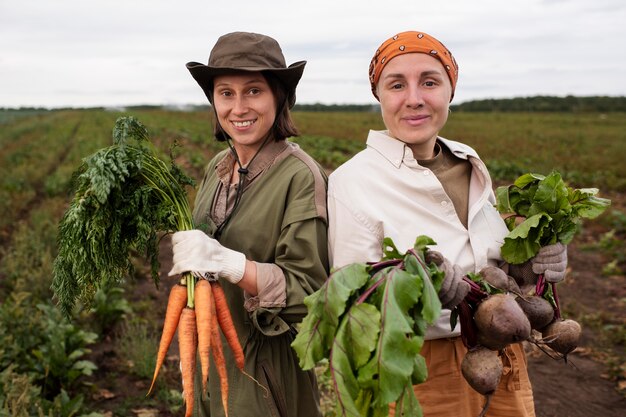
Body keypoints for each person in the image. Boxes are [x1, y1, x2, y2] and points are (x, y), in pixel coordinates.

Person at [327, 31, 568, 416]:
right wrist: (420, 293)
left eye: (429, 81)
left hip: (503, 353)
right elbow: (356, 302)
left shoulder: (468, 162)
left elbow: (494, 261)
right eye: (396, 85)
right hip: (423, 369)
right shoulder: (352, 181)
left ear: (450, 91)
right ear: (379, 97)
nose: (414, 98)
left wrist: (536, 263)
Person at [168, 31, 328, 417]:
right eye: (226, 93)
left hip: (266, 373)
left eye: (253, 91)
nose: (238, 107)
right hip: (211, 359)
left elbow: (312, 296)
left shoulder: (300, 176)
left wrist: (232, 265)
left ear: (279, 98)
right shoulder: (217, 168)